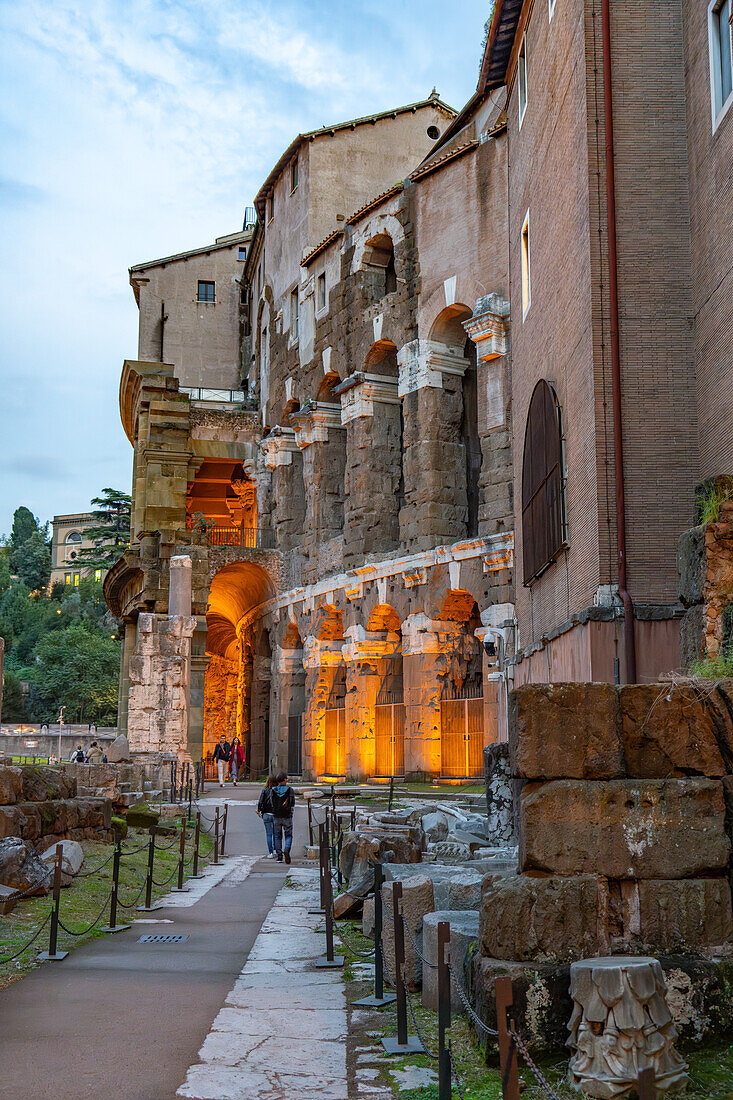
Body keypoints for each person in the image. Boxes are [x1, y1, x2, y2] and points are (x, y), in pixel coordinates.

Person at [270, 771, 295, 864]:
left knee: (277, 836)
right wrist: (291, 812)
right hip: (287, 815)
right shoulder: (290, 790)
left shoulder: (273, 790)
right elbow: (292, 803)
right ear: (284, 779)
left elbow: (272, 803)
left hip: (276, 815)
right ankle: (287, 849)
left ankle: (279, 856)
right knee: (288, 835)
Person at [257, 776, 276, 858]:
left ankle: (271, 853)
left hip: (266, 814)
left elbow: (260, 802)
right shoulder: (277, 790)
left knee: (269, 834)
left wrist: (259, 811)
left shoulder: (264, 790)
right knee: (276, 834)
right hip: (275, 814)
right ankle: (277, 851)